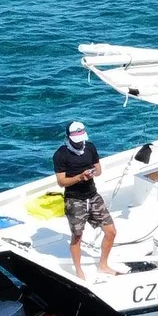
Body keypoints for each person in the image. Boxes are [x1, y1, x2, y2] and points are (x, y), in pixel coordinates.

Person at [55, 120, 117, 283]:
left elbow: (99, 170)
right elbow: (61, 182)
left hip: (93, 195)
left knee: (111, 231)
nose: (80, 142)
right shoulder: (61, 154)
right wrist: (79, 177)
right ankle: (78, 269)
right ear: (68, 137)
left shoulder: (90, 147)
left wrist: (91, 173)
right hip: (74, 199)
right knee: (77, 236)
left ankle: (103, 265)